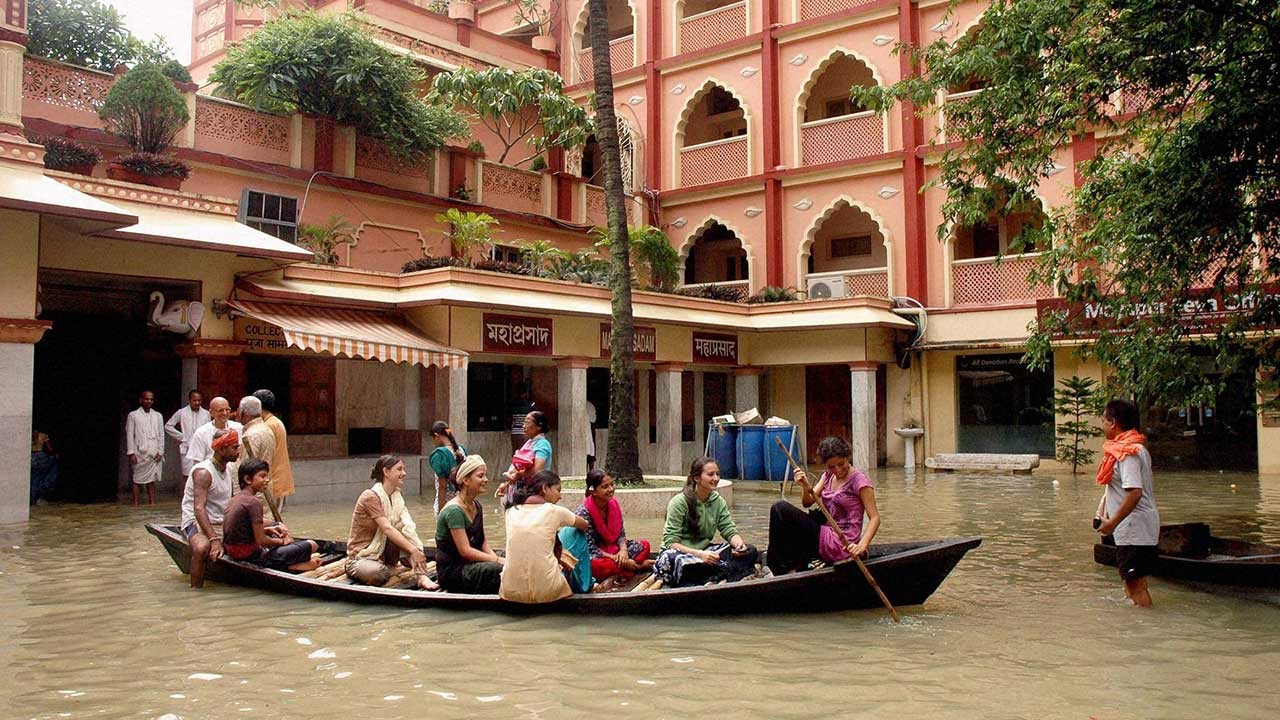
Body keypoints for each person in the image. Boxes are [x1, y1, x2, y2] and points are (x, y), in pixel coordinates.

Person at [766, 436, 881, 576]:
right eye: (831, 466)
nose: (838, 470)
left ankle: (782, 569)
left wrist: (862, 546)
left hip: (842, 544)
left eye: (841, 464)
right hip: (826, 533)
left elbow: (874, 518)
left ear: (847, 457)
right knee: (780, 516)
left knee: (781, 508)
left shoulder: (859, 481)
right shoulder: (827, 476)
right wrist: (804, 485)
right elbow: (807, 502)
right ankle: (781, 566)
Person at [654, 457, 759, 587]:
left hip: (705, 551)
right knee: (677, 561)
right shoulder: (679, 502)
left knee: (751, 550)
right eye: (710, 474)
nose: (716, 478)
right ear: (696, 478)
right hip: (680, 554)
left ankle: (711, 575)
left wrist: (739, 545)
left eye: (717, 474)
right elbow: (670, 542)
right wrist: (700, 554)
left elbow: (728, 529)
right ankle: (721, 574)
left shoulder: (717, 501)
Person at [1095, 399, 1160, 608]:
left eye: (1104, 420)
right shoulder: (1126, 449)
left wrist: (1112, 523)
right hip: (1132, 529)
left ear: (1113, 422)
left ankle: (1146, 627)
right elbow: (1117, 490)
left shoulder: (1127, 453)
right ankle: (1137, 625)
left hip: (1135, 529)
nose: (1102, 424)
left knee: (1136, 586)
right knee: (1132, 583)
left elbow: (1134, 493)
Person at [346, 455, 438, 590]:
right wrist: (412, 550)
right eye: (399, 469)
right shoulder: (370, 496)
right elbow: (387, 528)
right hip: (361, 557)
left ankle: (421, 576)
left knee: (405, 532)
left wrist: (415, 550)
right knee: (378, 574)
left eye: (404, 469)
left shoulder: (396, 496)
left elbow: (406, 529)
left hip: (386, 552)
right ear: (386, 472)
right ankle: (390, 568)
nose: (404, 473)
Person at [499, 470, 591, 603]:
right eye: (558, 490)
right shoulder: (554, 511)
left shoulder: (511, 510)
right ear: (544, 488)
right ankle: (586, 585)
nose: (560, 497)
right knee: (576, 533)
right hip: (549, 592)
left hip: (510, 592)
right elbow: (585, 525)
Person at [222, 458, 322, 573]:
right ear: (248, 479)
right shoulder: (253, 502)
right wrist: (283, 542)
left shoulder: (236, 499)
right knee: (312, 545)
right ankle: (292, 566)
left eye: (267, 476)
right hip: (252, 557)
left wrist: (269, 530)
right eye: (262, 476)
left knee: (279, 537)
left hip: (234, 552)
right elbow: (261, 541)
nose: (267, 480)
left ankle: (293, 562)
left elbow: (244, 530)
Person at [434, 455, 504, 594]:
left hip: (471, 564)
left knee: (511, 555)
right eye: (480, 476)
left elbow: (482, 542)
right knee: (499, 569)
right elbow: (465, 551)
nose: (486, 480)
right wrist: (496, 560)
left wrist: (499, 558)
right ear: (466, 480)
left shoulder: (477, 505)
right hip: (454, 571)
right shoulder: (454, 511)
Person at [181, 428, 240, 588]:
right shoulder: (203, 472)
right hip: (196, 522)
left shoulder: (228, 468)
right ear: (221, 449)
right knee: (202, 548)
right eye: (234, 447)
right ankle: (195, 592)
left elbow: (233, 501)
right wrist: (214, 540)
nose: (238, 451)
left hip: (219, 521)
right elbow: (199, 509)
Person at [576, 469, 653, 588]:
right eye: (605, 487)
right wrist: (621, 560)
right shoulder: (583, 513)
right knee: (596, 566)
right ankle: (638, 567)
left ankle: (622, 571)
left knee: (644, 545)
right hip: (598, 555)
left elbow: (620, 534)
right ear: (593, 491)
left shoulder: (613, 505)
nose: (611, 489)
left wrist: (623, 551)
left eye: (612, 484)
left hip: (615, 550)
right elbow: (590, 548)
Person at [237, 395, 282, 523]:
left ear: (243, 413)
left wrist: (238, 497)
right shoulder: (266, 429)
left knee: (255, 524)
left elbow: (244, 469)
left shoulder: (251, 435)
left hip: (254, 490)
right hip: (264, 486)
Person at [495, 410, 553, 503]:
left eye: (527, 422)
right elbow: (518, 469)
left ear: (539, 426)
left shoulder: (542, 444)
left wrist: (518, 475)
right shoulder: (530, 442)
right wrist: (506, 485)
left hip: (535, 491)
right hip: (524, 489)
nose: (523, 426)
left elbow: (537, 469)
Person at [253, 389, 295, 509]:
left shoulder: (268, 425)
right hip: (276, 477)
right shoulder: (275, 422)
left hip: (273, 478)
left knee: (271, 519)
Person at [125, 390, 165, 506]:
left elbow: (161, 434)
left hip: (154, 452)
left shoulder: (158, 416)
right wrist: (131, 452)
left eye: (151, 399)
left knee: (151, 480)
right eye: (147, 399)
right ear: (141, 400)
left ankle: (152, 503)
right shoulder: (133, 415)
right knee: (137, 479)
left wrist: (160, 451)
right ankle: (135, 503)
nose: (149, 401)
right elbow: (129, 434)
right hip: (139, 452)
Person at [165, 390, 210, 478]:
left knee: (201, 473)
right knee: (187, 475)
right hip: (187, 448)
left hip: (202, 448)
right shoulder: (181, 412)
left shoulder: (206, 413)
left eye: (199, 400)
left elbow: (208, 430)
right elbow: (168, 426)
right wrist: (182, 437)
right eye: (195, 400)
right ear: (189, 400)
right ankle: (186, 492)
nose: (197, 403)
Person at [186, 396, 243, 466]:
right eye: (220, 410)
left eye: (227, 410)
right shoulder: (201, 433)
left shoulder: (239, 428)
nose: (225, 413)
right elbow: (197, 462)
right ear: (211, 413)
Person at [428, 421, 466, 514]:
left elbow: (443, 486)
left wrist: (441, 512)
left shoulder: (439, 455)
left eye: (433, 439)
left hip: (448, 503)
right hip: (463, 502)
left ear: (436, 436)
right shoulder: (461, 451)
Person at [30, 430, 58, 504]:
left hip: (31, 457)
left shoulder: (27, 434)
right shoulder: (43, 435)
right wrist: (54, 454)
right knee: (41, 476)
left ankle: (32, 498)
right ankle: (37, 497)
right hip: (40, 456)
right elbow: (49, 448)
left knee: (33, 477)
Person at [508, 384, 534, 453]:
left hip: (514, 432)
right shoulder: (529, 404)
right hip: (524, 432)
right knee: (524, 455)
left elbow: (508, 418)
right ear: (525, 393)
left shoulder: (512, 403)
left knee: (515, 454)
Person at [585, 399, 598, 470]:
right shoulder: (589, 405)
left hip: (588, 432)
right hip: (588, 433)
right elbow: (593, 419)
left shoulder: (589, 405)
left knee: (590, 453)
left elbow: (593, 419)